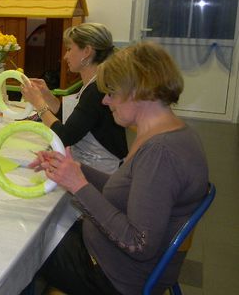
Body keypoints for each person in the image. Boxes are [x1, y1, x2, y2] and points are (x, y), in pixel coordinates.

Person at [27, 42, 209, 295]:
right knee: (40, 230)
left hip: (115, 277)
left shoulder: (160, 154)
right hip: (110, 258)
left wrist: (78, 185)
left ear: (137, 92)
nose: (105, 100)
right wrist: (74, 169)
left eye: (111, 92)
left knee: (24, 247)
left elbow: (138, 243)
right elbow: (126, 190)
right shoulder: (169, 132)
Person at [20, 23, 127, 173]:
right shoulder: (92, 83)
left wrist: (38, 103)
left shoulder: (96, 90)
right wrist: (46, 95)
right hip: (89, 165)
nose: (65, 56)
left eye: (69, 49)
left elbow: (65, 136)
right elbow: (75, 119)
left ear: (87, 51)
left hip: (102, 173)